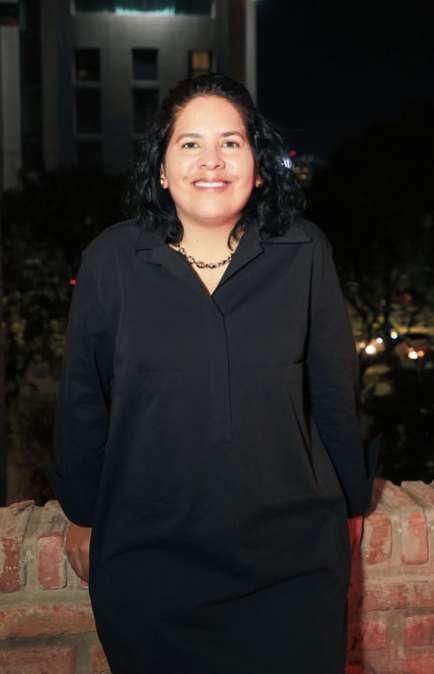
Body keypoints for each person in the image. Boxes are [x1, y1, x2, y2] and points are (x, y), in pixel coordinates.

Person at [48, 74, 378, 674]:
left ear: (258, 165)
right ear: (161, 168)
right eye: (190, 143)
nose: (212, 161)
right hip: (151, 560)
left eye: (230, 142)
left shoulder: (304, 252)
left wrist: (352, 504)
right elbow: (82, 399)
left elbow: (335, 390)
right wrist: (82, 512)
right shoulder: (110, 261)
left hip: (293, 562)